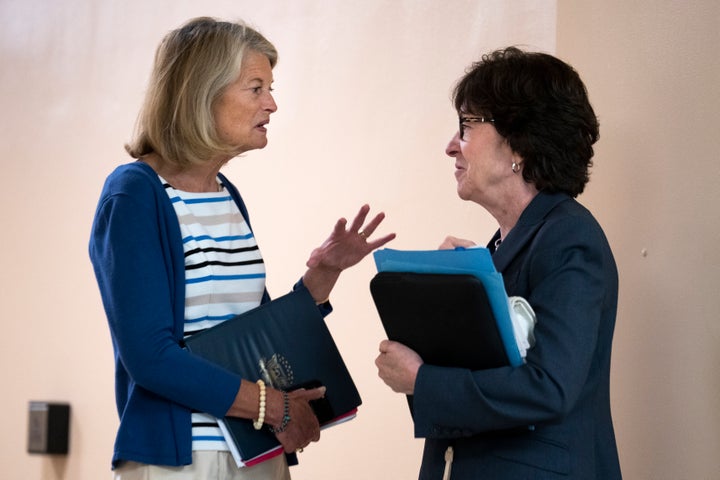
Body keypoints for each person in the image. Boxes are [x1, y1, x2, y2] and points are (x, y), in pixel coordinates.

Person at [89, 17, 395, 480]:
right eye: (256, 88)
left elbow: (248, 334)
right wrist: (275, 408)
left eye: (270, 89)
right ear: (202, 93)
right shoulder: (134, 194)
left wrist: (322, 276)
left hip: (256, 452)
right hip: (181, 459)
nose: (271, 104)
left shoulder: (225, 193)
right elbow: (150, 357)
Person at [375, 47, 621, 479]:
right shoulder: (496, 249)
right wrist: (452, 294)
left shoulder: (570, 238)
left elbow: (550, 388)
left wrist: (422, 380)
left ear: (521, 143)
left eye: (467, 127)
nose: (451, 146)